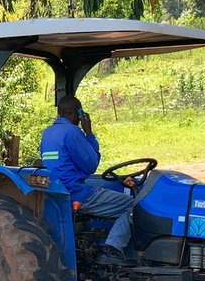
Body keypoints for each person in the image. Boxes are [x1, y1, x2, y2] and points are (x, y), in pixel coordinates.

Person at [39, 96, 136, 265]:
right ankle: (112, 248)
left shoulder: (47, 133)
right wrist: (89, 133)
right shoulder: (72, 132)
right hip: (76, 193)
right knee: (134, 206)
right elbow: (91, 165)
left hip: (56, 191)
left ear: (59, 112)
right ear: (79, 113)